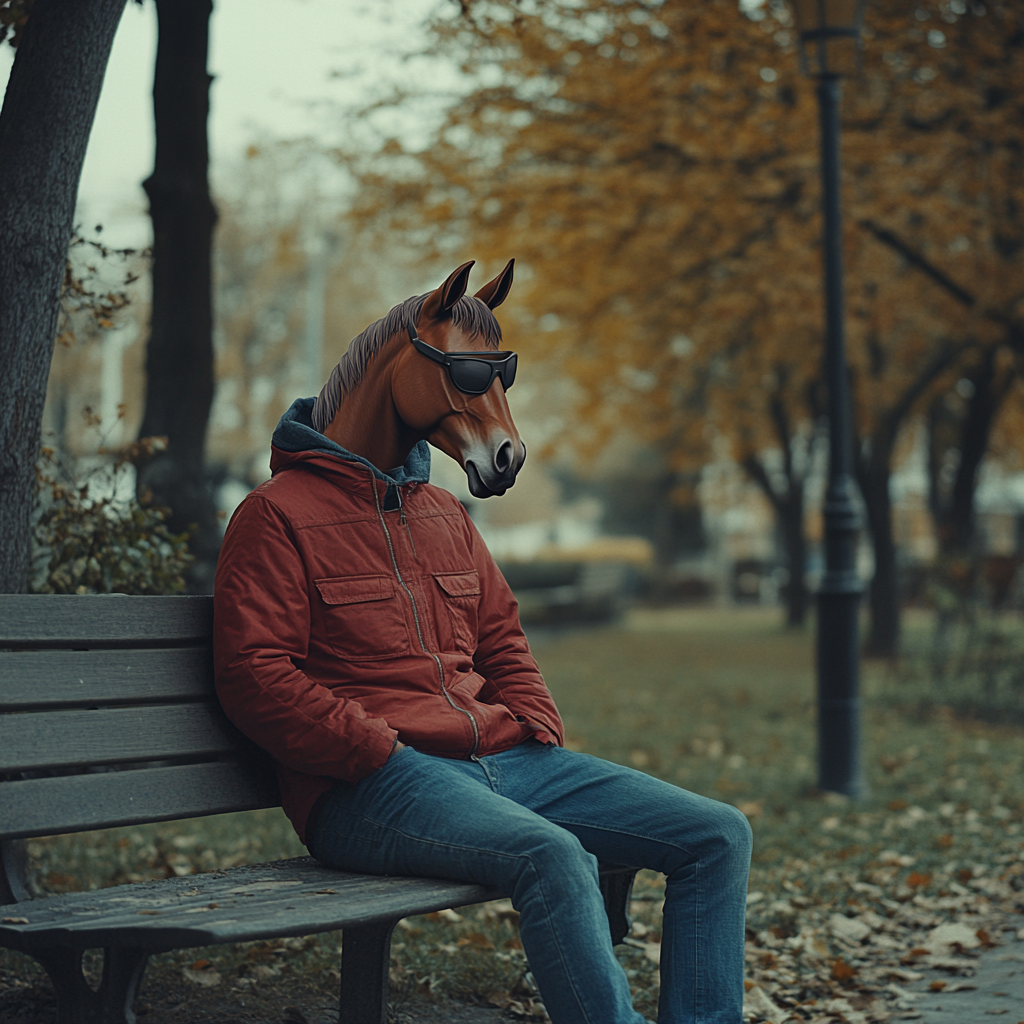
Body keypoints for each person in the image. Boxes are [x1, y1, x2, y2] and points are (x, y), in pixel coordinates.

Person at [214, 266, 752, 1024]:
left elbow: (502, 634)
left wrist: (536, 723)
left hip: (506, 761)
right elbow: (254, 675)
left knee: (717, 835)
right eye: (471, 375)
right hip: (370, 785)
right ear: (407, 365)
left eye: (500, 376)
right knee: (554, 855)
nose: (492, 396)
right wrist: (375, 748)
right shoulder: (275, 516)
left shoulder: (443, 513)